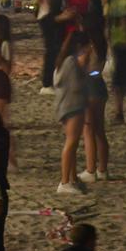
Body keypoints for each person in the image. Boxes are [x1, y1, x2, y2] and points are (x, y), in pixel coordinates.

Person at [55, 31, 94, 195]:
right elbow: (76, 86)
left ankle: (71, 178)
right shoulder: (71, 62)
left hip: (68, 105)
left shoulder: (64, 60)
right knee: (71, 143)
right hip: (73, 105)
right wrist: (84, 68)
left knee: (73, 143)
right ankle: (64, 181)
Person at [36, 0, 70, 95]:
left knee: (58, 47)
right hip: (47, 14)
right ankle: (47, 83)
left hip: (58, 12)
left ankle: (56, 79)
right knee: (51, 49)